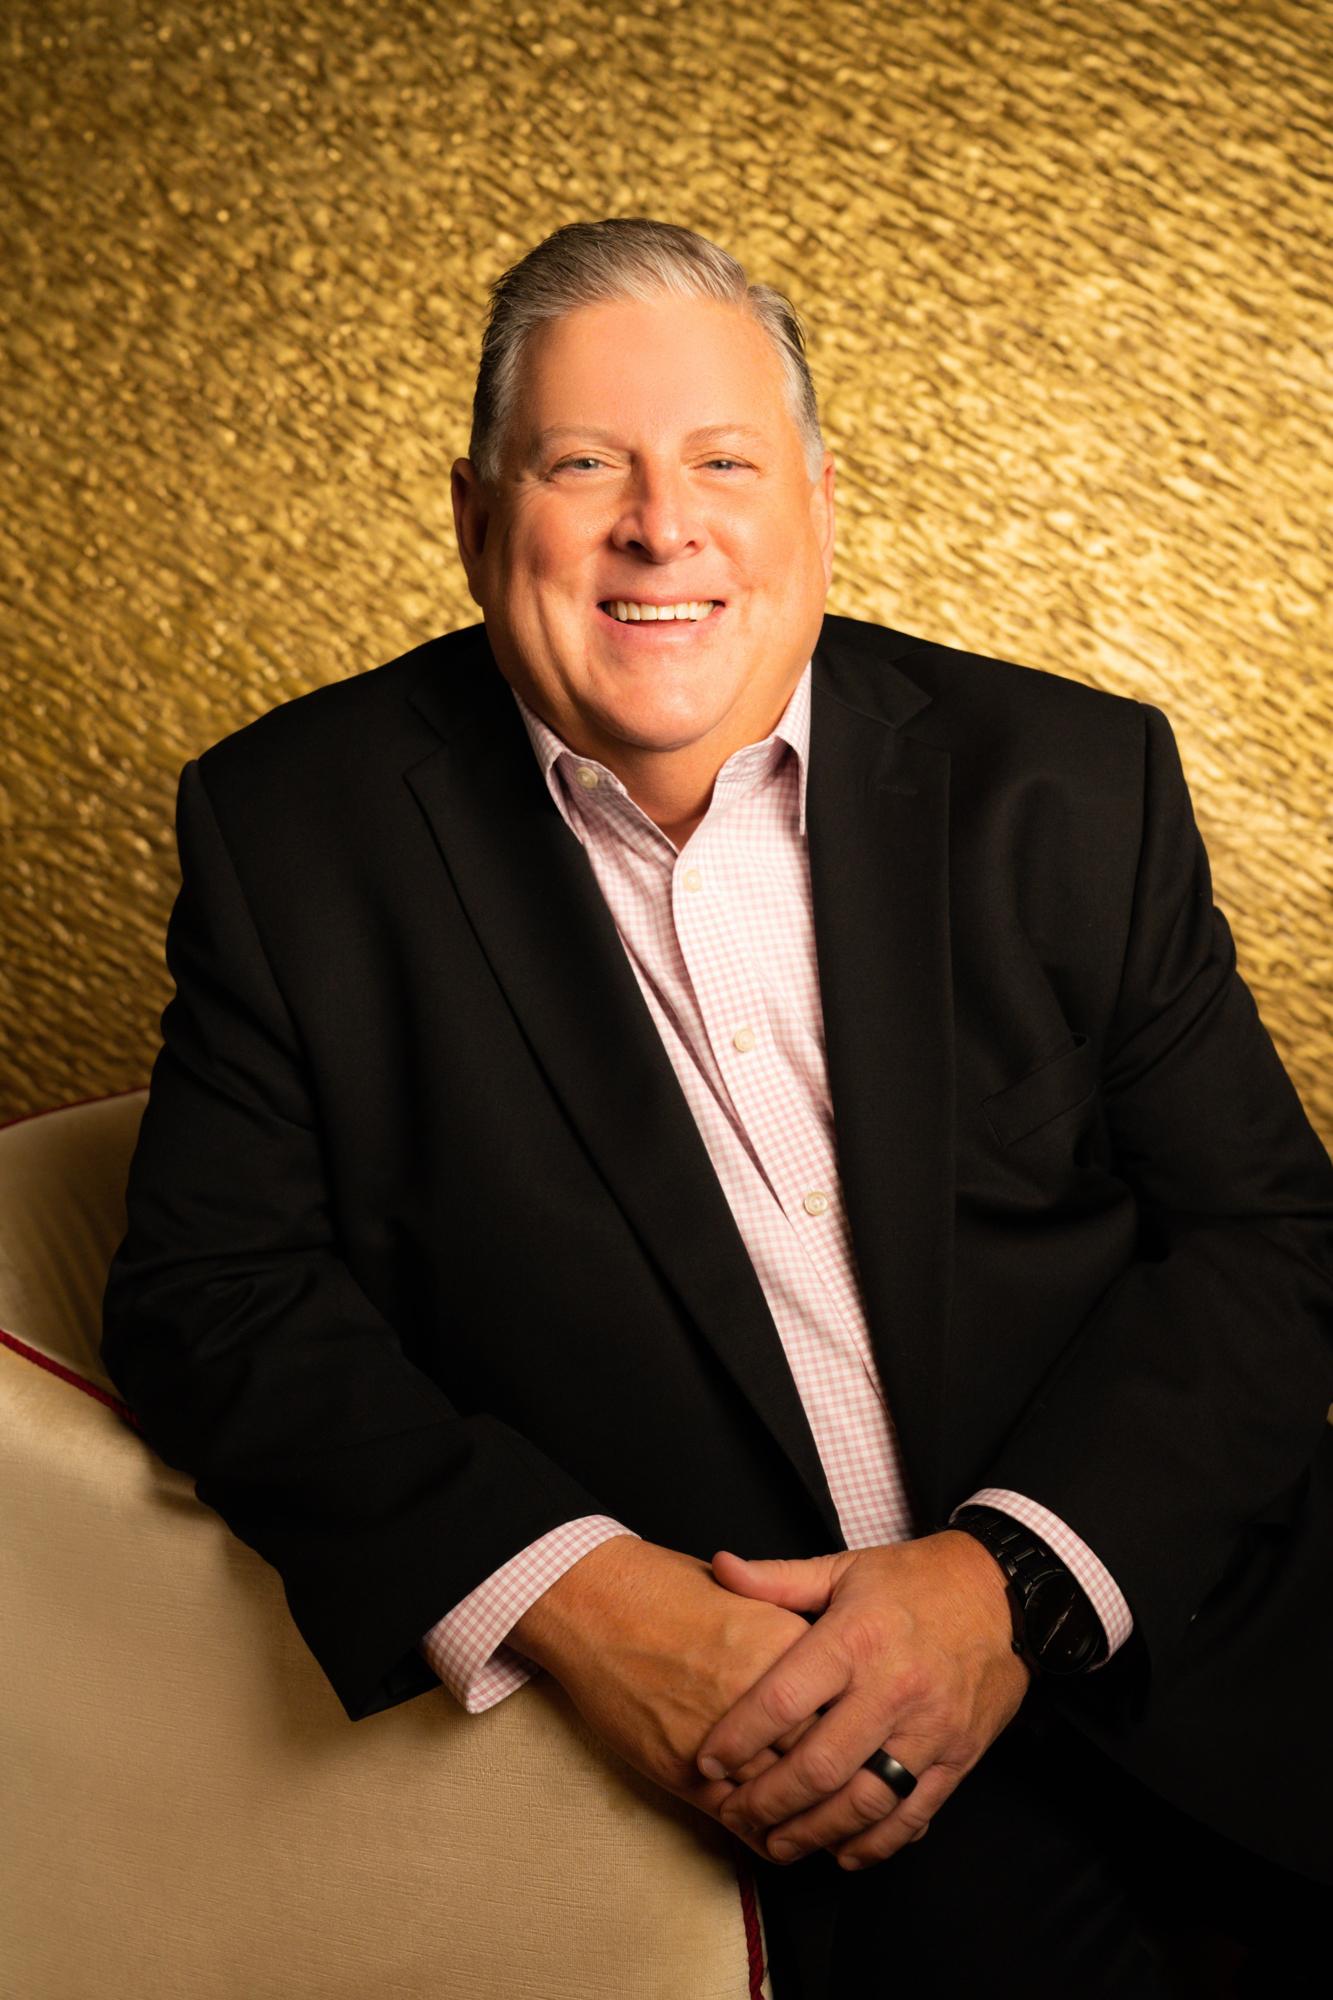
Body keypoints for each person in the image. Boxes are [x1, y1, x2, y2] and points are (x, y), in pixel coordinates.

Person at [102, 218, 1333, 1997]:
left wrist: (1004, 1583)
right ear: (472, 519)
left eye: (723, 465)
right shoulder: (295, 833)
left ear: (818, 503)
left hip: (1195, 1628)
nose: (658, 527)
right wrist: (587, 1603)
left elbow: (1263, 1233)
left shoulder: (1068, 779)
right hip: (773, 1766)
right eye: (582, 466)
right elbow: (213, 1296)